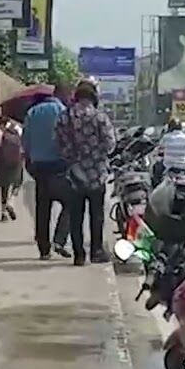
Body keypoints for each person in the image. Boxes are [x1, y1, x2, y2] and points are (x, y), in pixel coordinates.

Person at [55, 81, 116, 266]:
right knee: (97, 215)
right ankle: (96, 251)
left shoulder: (65, 117)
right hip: (97, 174)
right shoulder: (100, 117)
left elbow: (58, 143)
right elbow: (110, 144)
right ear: (94, 97)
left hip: (74, 175)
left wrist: (72, 157)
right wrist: (96, 154)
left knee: (76, 216)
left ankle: (79, 255)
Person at [23, 84, 71, 259]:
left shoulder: (32, 112)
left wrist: (30, 159)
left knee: (42, 208)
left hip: (39, 166)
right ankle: (59, 239)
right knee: (70, 203)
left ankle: (44, 250)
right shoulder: (63, 111)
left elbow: (25, 140)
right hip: (59, 165)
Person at [0, 116, 23, 221]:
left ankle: (3, 213)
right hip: (17, 160)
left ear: (0, 124)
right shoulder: (18, 129)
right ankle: (11, 202)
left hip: (3, 161)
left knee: (4, 186)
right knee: (17, 183)